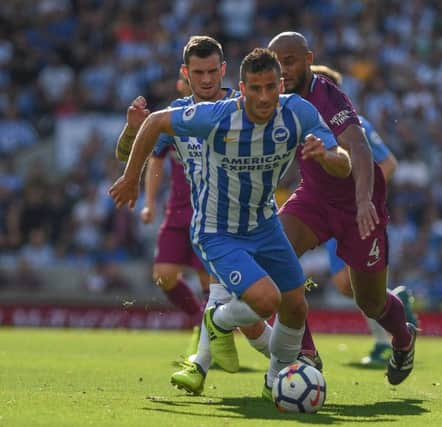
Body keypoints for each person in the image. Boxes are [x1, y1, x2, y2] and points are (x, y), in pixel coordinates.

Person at [108, 47, 351, 399]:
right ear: (242, 88)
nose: (265, 97)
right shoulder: (217, 115)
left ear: (280, 85)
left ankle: (274, 382)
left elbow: (343, 162)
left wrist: (327, 156)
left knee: (296, 304)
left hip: (265, 225)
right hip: (217, 230)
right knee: (265, 301)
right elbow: (155, 121)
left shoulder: (297, 112)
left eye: (271, 87)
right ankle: (216, 322)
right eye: (255, 88)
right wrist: (131, 178)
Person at [114, 37, 274, 395]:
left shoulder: (244, 105)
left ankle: (285, 361)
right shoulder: (177, 115)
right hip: (211, 223)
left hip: (255, 219)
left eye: (212, 71)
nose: (205, 79)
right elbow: (128, 152)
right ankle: (283, 367)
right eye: (197, 72)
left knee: (250, 313)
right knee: (231, 303)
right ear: (185, 74)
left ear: (223, 70)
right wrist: (132, 128)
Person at [268, 32, 417, 385]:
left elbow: (360, 150)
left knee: (370, 302)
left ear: (308, 58)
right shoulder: (274, 95)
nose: (282, 70)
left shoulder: (328, 96)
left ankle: (403, 338)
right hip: (314, 199)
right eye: (277, 63)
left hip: (357, 208)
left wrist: (364, 200)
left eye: (289, 61)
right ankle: (306, 354)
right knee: (273, 259)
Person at [311, 64, 419, 366]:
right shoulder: (309, 124)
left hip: (356, 214)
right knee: (345, 285)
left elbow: (389, 164)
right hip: (332, 213)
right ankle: (396, 301)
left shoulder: (357, 125)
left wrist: (364, 197)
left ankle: (384, 343)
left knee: (356, 281)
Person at [116, 70, 208, 332]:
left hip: (211, 212)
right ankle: (200, 321)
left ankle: (212, 337)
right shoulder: (172, 120)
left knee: (208, 281)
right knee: (163, 276)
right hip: (179, 211)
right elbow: (153, 159)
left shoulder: (217, 117)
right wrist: (151, 203)